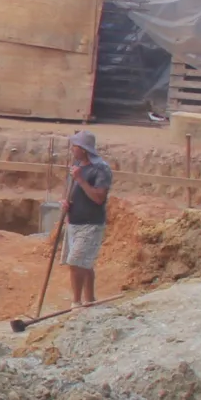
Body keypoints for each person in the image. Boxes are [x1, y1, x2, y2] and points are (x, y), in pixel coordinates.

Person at [62, 130, 113, 307]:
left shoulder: (100, 169)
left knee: (76, 262)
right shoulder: (77, 165)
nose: (72, 149)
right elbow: (74, 192)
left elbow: (99, 197)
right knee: (85, 262)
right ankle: (90, 300)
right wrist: (67, 203)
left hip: (90, 224)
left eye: (75, 146)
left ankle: (76, 303)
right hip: (74, 222)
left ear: (84, 149)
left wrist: (81, 180)